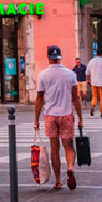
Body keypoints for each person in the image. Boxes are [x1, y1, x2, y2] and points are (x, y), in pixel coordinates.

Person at [34, 45, 83, 191]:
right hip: (66, 113)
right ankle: (70, 168)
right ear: (60, 58)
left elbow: (39, 99)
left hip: (50, 115)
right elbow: (76, 98)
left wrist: (36, 119)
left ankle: (58, 181)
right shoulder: (70, 74)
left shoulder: (43, 75)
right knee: (68, 146)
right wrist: (80, 118)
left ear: (49, 58)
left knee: (54, 148)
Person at [85, 52, 102, 117]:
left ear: (96, 54)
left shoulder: (91, 61)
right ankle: (101, 112)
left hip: (94, 82)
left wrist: (88, 80)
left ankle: (93, 105)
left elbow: (87, 73)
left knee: (94, 96)